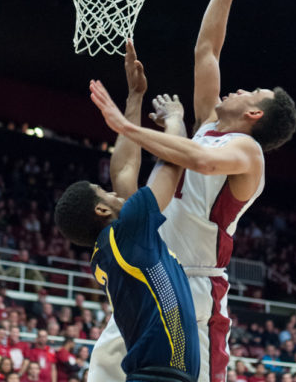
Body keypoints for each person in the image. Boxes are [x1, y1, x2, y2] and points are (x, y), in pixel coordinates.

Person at [88, 0, 296, 382]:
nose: (239, 89)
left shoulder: (246, 151)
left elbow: (200, 161)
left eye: (251, 92)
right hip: (147, 272)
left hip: (194, 286)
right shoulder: (207, 125)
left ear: (255, 114)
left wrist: (128, 128)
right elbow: (207, 48)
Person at [55, 42, 200, 382]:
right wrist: (175, 121)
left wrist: (135, 98)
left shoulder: (112, 246)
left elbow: (122, 173)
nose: (113, 189)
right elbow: (173, 164)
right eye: (104, 192)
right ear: (103, 209)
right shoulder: (127, 233)